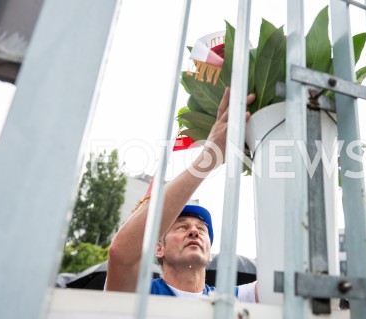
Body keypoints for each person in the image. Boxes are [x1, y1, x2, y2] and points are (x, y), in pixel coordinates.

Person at [106, 88, 257, 302]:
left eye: (202, 229)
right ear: (159, 248)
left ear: (209, 255)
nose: (194, 232)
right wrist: (209, 158)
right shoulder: (139, 295)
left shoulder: (233, 300)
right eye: (182, 227)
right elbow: (121, 253)